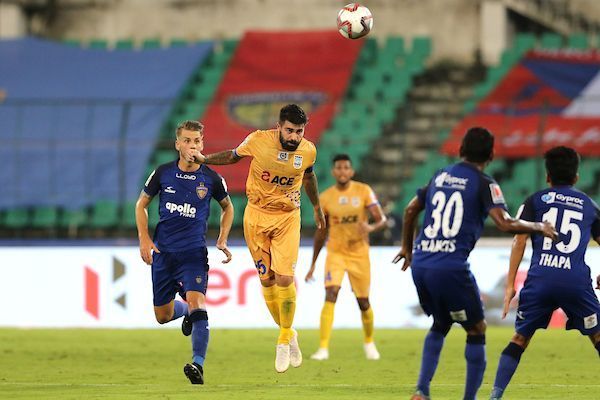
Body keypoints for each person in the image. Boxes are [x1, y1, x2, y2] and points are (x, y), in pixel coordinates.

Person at [392, 127, 558, 400]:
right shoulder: (484, 183)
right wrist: (539, 225)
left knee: (440, 323)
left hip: (422, 263)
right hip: (450, 266)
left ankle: (422, 390)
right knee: (477, 329)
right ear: (491, 155)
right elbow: (504, 222)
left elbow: (410, 209)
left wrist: (407, 249)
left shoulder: (440, 175)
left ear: (460, 150)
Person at [182, 104, 326, 373]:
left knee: (284, 278)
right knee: (267, 280)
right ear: (279, 126)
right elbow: (233, 156)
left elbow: (309, 177)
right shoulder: (259, 140)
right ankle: (289, 332)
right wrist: (204, 159)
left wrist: (316, 207)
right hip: (257, 216)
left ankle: (282, 340)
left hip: (287, 218)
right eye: (290, 131)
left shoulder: (308, 150)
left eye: (299, 131)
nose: (295, 137)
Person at [489, 146, 600, 400]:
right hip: (575, 282)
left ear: (548, 176)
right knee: (597, 335)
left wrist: (509, 285)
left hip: (540, 281)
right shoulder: (589, 205)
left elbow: (519, 240)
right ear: (576, 177)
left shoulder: (535, 201)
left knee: (519, 338)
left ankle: (495, 395)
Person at [135, 120, 234, 385]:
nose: (192, 146)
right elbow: (141, 204)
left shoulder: (211, 178)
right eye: (187, 141)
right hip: (164, 253)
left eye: (197, 141)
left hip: (193, 254)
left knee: (198, 302)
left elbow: (228, 208)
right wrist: (144, 239)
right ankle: (186, 312)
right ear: (178, 143)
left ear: (203, 144)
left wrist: (223, 238)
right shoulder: (163, 173)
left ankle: (197, 365)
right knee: (163, 316)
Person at [305, 153, 387, 361]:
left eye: (346, 168)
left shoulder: (363, 191)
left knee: (363, 302)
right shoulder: (325, 197)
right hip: (336, 253)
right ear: (334, 172)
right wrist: (313, 264)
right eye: (339, 168)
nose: (342, 171)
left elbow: (381, 219)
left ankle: (369, 343)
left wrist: (371, 226)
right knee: (331, 294)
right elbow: (321, 233)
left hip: (359, 254)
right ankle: (323, 348)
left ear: (351, 171)